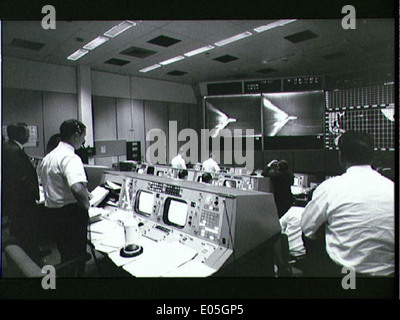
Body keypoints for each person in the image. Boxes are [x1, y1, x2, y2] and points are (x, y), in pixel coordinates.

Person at [301, 130, 394, 277]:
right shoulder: (392, 188)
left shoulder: (329, 188)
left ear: (341, 157)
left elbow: (307, 229)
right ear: (372, 156)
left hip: (345, 276)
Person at [38, 119, 90, 276]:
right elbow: (77, 187)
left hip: (53, 214)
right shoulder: (70, 158)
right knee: (77, 256)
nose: (84, 140)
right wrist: (87, 204)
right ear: (75, 135)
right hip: (71, 216)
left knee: (66, 254)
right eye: (83, 136)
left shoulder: (48, 157)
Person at [2, 123, 41, 257]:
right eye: (26, 133)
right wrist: (33, 193)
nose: (29, 135)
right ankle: (32, 255)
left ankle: (27, 252)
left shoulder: (8, 147)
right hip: (22, 200)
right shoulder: (15, 151)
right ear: (19, 134)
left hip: (13, 199)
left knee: (20, 227)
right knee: (27, 228)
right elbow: (21, 178)